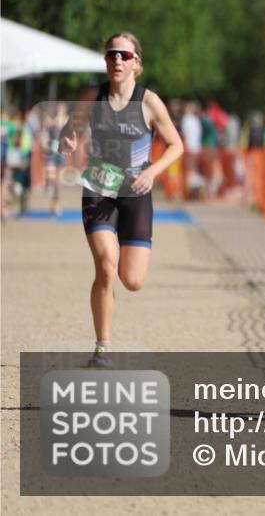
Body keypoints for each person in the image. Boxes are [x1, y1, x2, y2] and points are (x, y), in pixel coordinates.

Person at [59, 32, 183, 367]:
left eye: (124, 55)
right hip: (99, 186)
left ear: (136, 64)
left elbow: (177, 145)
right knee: (106, 267)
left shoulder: (149, 102)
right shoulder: (92, 97)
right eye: (112, 54)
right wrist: (67, 139)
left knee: (133, 280)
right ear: (105, 60)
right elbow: (70, 129)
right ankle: (102, 349)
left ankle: (106, 338)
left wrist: (152, 172)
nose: (117, 60)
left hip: (136, 192)